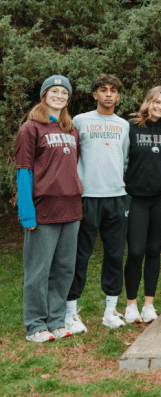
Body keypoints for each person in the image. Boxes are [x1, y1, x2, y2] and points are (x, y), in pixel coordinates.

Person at [15, 75, 83, 342]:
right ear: (44, 95)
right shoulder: (30, 129)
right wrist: (26, 212)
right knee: (38, 271)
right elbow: (23, 173)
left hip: (72, 208)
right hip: (43, 210)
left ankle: (55, 321)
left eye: (64, 92)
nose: (59, 96)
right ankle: (35, 325)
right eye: (54, 91)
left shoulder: (70, 130)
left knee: (64, 269)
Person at [65, 74, 131, 332]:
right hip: (87, 197)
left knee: (115, 255)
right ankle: (70, 313)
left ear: (118, 96)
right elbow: (71, 155)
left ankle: (110, 311)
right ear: (94, 94)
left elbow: (124, 158)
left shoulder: (124, 124)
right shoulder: (80, 121)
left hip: (116, 197)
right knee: (80, 255)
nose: (107, 95)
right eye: (102, 90)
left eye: (112, 91)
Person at [123, 86, 161, 323]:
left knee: (154, 250)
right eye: (157, 101)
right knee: (136, 251)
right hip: (136, 197)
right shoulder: (131, 127)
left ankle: (148, 305)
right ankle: (131, 305)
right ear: (148, 101)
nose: (160, 106)